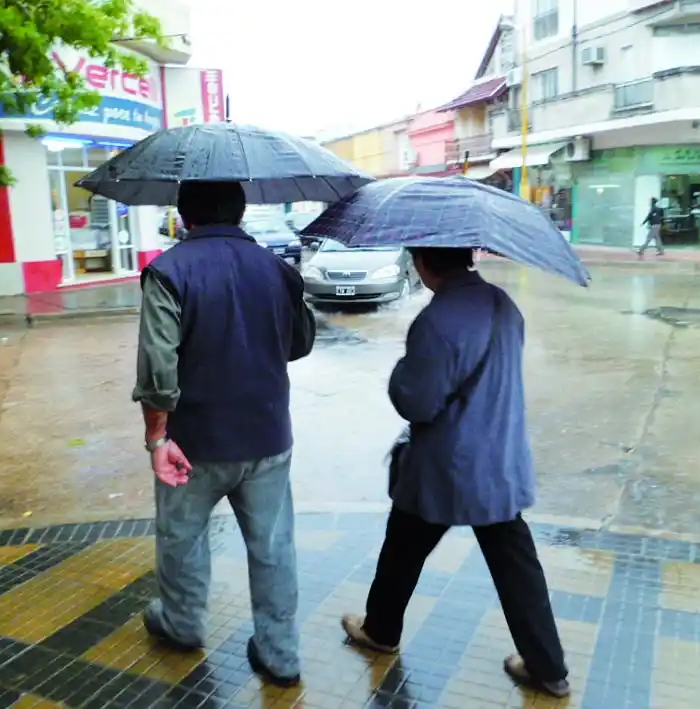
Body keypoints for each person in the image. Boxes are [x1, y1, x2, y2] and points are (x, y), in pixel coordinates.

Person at [339, 247, 570, 698]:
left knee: (402, 547)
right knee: (517, 566)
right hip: (500, 463)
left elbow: (417, 401)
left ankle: (381, 631)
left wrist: (399, 375)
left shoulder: (438, 320)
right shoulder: (503, 304)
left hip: (446, 468)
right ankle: (548, 668)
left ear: (425, 263)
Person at [131, 181, 315, 687]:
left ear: (183, 214)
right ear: (240, 212)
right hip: (268, 437)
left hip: (193, 443)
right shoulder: (280, 270)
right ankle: (280, 654)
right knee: (274, 546)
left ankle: (182, 623)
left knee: (182, 538)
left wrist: (157, 439)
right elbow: (299, 345)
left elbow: (157, 370)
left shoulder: (168, 272)